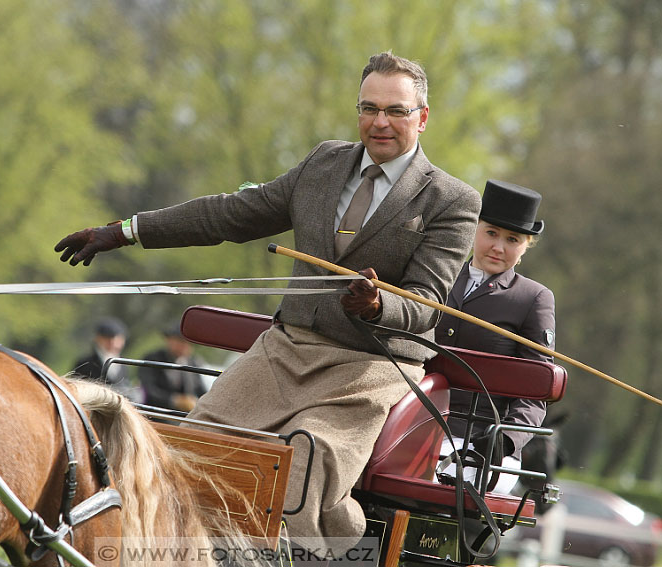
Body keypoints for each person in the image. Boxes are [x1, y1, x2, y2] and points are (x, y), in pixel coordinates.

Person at [54, 51, 481, 556]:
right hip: (283, 350)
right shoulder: (323, 164)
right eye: (369, 108)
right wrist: (125, 231)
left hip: (368, 369)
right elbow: (231, 215)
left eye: (396, 111)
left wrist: (377, 307)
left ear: (422, 118)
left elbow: (427, 303)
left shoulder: (451, 200)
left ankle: (329, 552)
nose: (380, 122)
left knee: (301, 464)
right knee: (190, 451)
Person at [435, 180, 556, 493]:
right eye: (490, 233)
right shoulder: (438, 276)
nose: (498, 247)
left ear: (525, 245)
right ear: (474, 229)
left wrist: (505, 438)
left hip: (481, 445)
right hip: (413, 427)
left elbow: (534, 391)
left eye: (512, 239)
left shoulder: (533, 298)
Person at [139, 322, 209, 412]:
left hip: (184, 417)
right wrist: (175, 401)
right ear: (169, 340)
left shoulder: (193, 363)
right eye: (180, 341)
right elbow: (148, 390)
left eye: (189, 343)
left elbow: (201, 390)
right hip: (155, 414)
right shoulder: (152, 359)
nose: (185, 346)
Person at [72, 316, 143, 402]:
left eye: (117, 339)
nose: (113, 343)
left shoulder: (124, 364)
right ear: (98, 338)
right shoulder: (85, 363)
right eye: (108, 339)